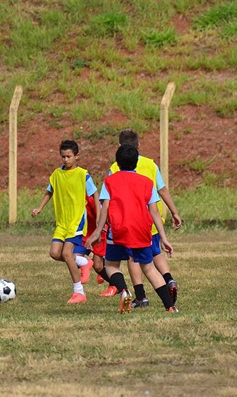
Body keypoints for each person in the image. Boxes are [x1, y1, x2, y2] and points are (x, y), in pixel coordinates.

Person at [86, 144, 177, 313]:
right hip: (141, 230)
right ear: (136, 163)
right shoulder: (147, 183)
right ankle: (170, 306)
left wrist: (97, 232)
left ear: (117, 163)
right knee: (149, 268)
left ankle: (125, 290)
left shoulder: (110, 181)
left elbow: (105, 207)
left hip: (118, 229)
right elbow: (155, 211)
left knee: (111, 266)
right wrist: (164, 238)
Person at [108, 128, 181, 308]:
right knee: (153, 255)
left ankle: (140, 295)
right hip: (148, 223)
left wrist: (101, 227)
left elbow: (106, 201)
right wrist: (174, 212)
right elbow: (162, 190)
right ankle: (169, 282)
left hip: (123, 224)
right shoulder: (150, 165)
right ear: (139, 146)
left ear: (119, 148)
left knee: (132, 259)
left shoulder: (114, 170)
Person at [32, 140, 100, 304]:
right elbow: (49, 191)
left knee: (67, 253)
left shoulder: (83, 175)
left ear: (77, 156)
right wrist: (40, 208)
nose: (65, 160)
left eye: (69, 156)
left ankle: (79, 292)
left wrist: (98, 216)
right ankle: (84, 262)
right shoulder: (56, 174)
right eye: (63, 157)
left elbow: (95, 195)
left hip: (76, 221)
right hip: (62, 222)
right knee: (55, 253)